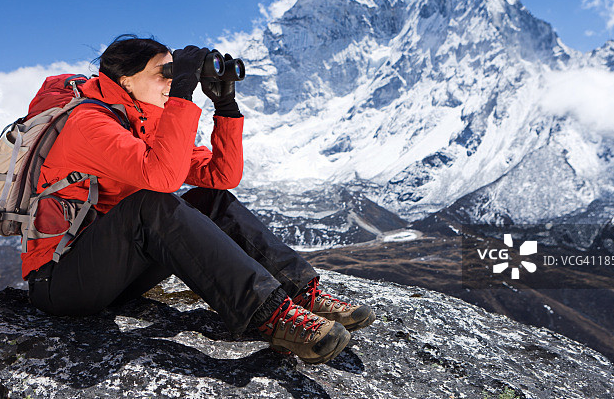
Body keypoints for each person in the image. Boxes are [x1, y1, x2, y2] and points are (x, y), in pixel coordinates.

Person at [23, 34, 375, 364]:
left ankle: (302, 295)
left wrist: (226, 106)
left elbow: (221, 177)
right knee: (154, 204)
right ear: (126, 80)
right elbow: (162, 178)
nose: (170, 82)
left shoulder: (145, 119)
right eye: (164, 73)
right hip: (60, 281)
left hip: (114, 274)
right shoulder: (89, 123)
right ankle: (274, 318)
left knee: (209, 199)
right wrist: (182, 96)